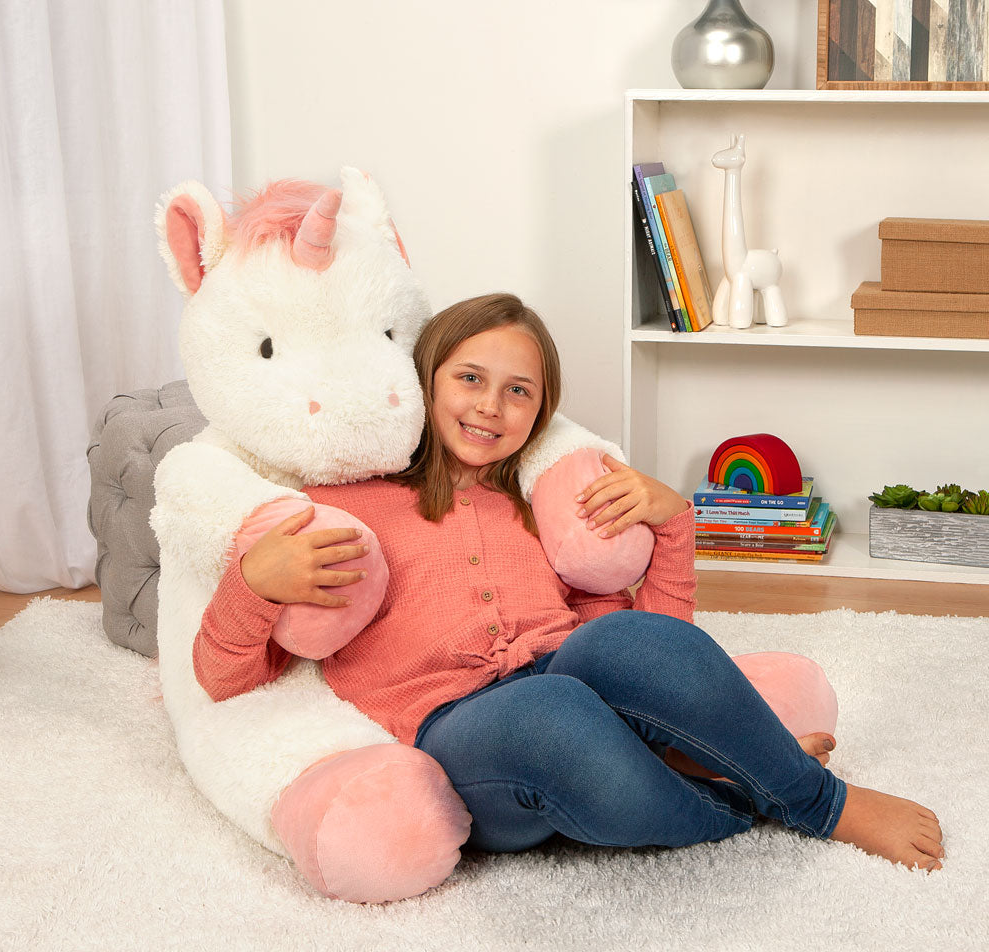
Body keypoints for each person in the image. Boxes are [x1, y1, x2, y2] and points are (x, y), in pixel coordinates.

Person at [194, 292, 945, 872]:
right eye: (470, 378)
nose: (491, 404)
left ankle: (814, 800)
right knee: (553, 711)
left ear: (541, 410)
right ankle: (748, 793)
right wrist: (253, 584)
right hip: (466, 731)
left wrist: (673, 523)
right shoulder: (342, 508)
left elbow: (662, 647)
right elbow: (228, 680)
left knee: (624, 638)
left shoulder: (537, 507)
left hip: (566, 675)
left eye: (519, 391)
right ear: (424, 380)